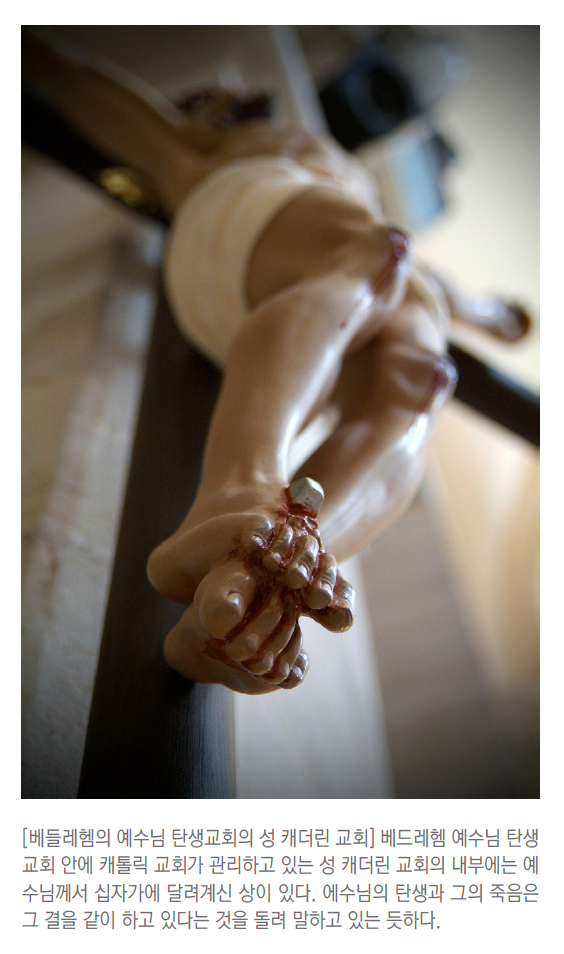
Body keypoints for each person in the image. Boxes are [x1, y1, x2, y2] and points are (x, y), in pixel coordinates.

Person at [22, 29, 530, 694]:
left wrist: (495, 315)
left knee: (424, 378)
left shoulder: (354, 190)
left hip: (343, 295)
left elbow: (460, 298)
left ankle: (261, 588)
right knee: (381, 255)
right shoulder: (220, 141)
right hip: (238, 229)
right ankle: (241, 490)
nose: (231, 96)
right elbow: (86, 86)